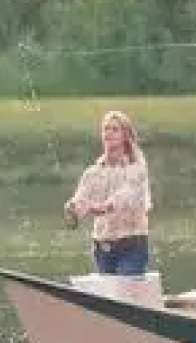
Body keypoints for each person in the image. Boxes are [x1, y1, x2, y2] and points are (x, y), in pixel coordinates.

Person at [64, 110, 152, 276]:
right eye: (106, 129)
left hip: (132, 244)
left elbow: (126, 196)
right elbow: (81, 199)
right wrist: (73, 209)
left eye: (115, 129)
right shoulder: (92, 173)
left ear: (126, 136)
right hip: (103, 247)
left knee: (123, 287)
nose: (109, 133)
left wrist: (102, 207)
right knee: (107, 288)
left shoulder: (137, 168)